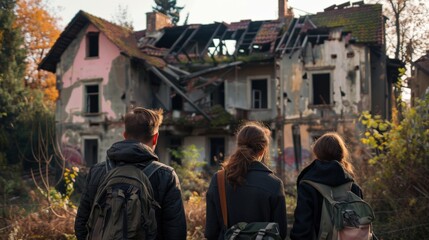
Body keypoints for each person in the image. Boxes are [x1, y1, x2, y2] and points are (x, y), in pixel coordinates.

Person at [74, 107, 187, 240]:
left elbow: (81, 225)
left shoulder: (97, 171)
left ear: (125, 136)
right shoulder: (166, 175)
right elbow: (176, 233)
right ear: (155, 138)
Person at [205, 121, 288, 240]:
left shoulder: (219, 180)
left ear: (238, 145)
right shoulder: (274, 184)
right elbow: (281, 233)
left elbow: (210, 232)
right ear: (263, 150)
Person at [290, 132, 363, 240]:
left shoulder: (308, 185)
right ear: (341, 154)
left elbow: (302, 228)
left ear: (317, 153)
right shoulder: (353, 187)